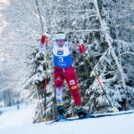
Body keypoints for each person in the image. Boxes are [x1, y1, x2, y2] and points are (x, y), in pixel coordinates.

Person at [40, 32, 91, 120]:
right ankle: (60, 113)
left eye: (62, 39)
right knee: (58, 91)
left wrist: (81, 44)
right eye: (58, 39)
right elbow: (41, 48)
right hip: (58, 72)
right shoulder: (53, 45)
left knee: (74, 90)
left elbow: (82, 51)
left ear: (64, 39)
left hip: (69, 72)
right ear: (56, 39)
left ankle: (80, 111)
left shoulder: (69, 45)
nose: (60, 41)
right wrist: (43, 37)